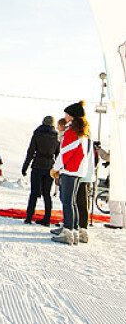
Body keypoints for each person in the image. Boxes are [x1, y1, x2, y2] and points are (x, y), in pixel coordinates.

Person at [50, 101, 92, 245]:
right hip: (78, 170)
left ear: (72, 116)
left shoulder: (72, 132)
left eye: (67, 114)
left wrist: (56, 168)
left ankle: (68, 232)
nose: (65, 116)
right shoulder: (82, 132)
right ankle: (73, 231)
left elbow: (65, 153)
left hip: (70, 169)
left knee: (67, 201)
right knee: (72, 201)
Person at [22, 116, 59, 226]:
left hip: (37, 165)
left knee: (34, 192)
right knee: (46, 194)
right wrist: (58, 169)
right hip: (49, 167)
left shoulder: (37, 133)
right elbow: (58, 154)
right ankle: (47, 219)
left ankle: (29, 217)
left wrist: (25, 167)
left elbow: (31, 151)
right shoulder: (56, 136)